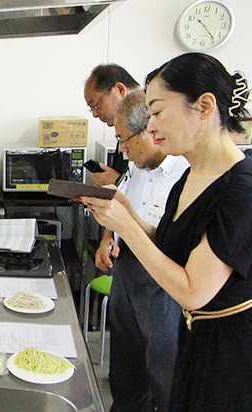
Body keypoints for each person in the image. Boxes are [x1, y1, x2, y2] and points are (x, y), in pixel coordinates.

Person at [81, 53, 252, 411]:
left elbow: (194, 290)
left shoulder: (241, 188)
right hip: (190, 334)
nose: (152, 126)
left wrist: (126, 225)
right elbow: (170, 242)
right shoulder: (190, 177)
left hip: (222, 349)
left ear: (204, 107)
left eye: (157, 112)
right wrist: (125, 213)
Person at [95, 91, 189, 412]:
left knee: (164, 374)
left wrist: (125, 216)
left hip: (162, 283)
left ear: (150, 132)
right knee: (125, 371)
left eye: (125, 140)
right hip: (127, 273)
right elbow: (121, 198)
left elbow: (171, 242)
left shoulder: (185, 173)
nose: (122, 149)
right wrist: (108, 236)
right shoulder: (136, 165)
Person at [84, 64, 141, 186]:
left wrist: (118, 182)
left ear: (120, 90)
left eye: (95, 105)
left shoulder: (152, 123)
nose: (94, 114)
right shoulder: (125, 126)